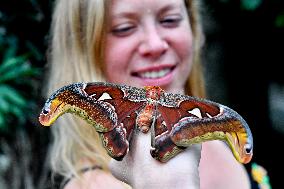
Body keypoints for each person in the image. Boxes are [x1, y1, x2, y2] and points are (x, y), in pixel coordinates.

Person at [46, 0, 251, 188]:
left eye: (170, 20)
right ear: (84, 49)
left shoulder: (217, 146)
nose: (155, 45)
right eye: (124, 28)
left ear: (193, 26)